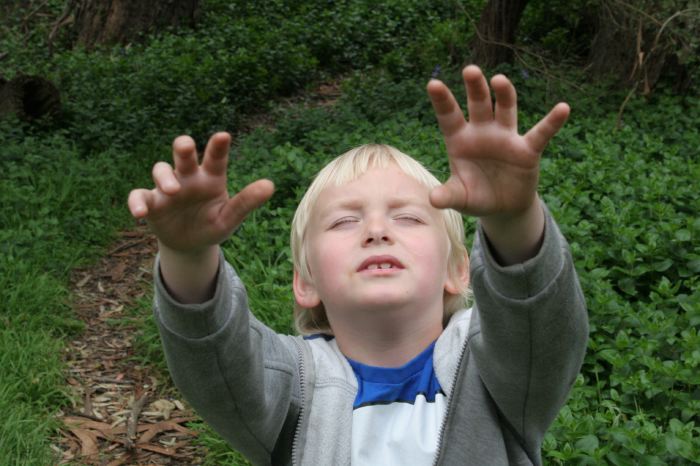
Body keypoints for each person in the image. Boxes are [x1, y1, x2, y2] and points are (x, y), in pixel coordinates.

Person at [128, 65, 588, 465]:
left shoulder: (499, 369)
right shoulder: (289, 388)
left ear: (457, 270)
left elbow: (538, 326)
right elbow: (216, 366)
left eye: (408, 217)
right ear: (306, 282)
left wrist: (512, 219)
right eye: (344, 221)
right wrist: (188, 256)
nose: (376, 230)